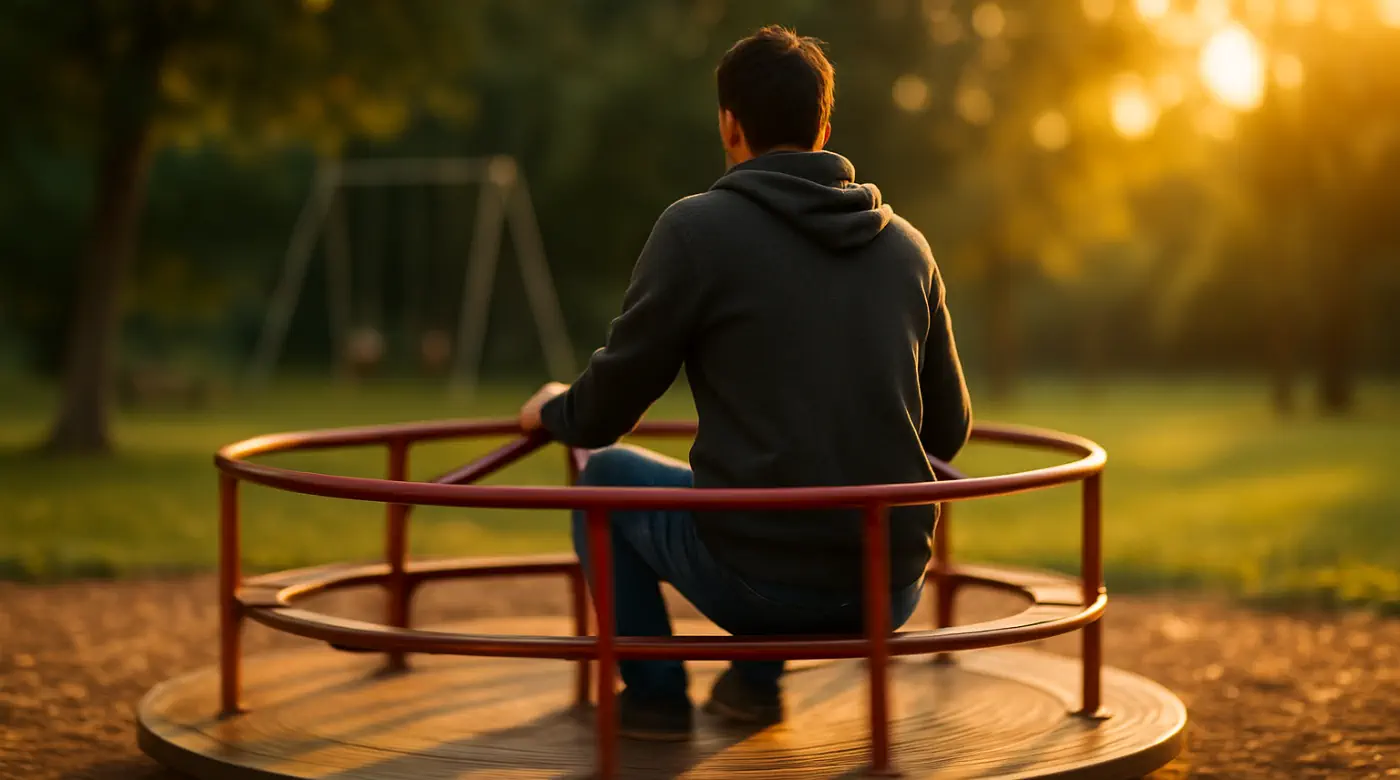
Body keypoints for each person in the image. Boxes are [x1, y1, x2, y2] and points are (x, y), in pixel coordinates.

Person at [518, 25, 972, 741]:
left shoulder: (697, 230)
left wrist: (553, 412)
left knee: (604, 475)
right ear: (825, 124)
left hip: (762, 583)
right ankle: (752, 689)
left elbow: (607, 408)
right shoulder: (909, 247)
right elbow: (948, 431)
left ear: (729, 124)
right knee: (788, 491)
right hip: (889, 585)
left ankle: (658, 698)